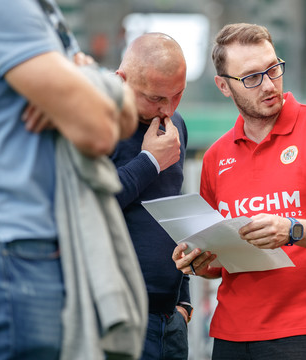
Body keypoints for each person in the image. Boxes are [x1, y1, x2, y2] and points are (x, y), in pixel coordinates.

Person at [173, 23, 306, 360]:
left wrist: (291, 229)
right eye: (251, 77)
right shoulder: (216, 156)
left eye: (273, 69)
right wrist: (196, 259)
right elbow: (218, 262)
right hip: (229, 333)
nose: (268, 84)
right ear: (223, 86)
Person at [0, 0, 138, 358]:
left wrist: (82, 88)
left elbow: (125, 117)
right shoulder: (11, 8)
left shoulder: (43, 10)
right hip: (17, 253)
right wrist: (88, 92)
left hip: (43, 249)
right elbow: (100, 131)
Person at [111, 32, 192, 360]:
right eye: (156, 98)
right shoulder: (95, 121)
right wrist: (150, 162)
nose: (168, 108)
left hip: (169, 318)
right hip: (115, 316)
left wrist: (183, 302)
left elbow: (171, 209)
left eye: (178, 95)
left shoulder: (176, 124)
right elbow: (88, 206)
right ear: (121, 80)